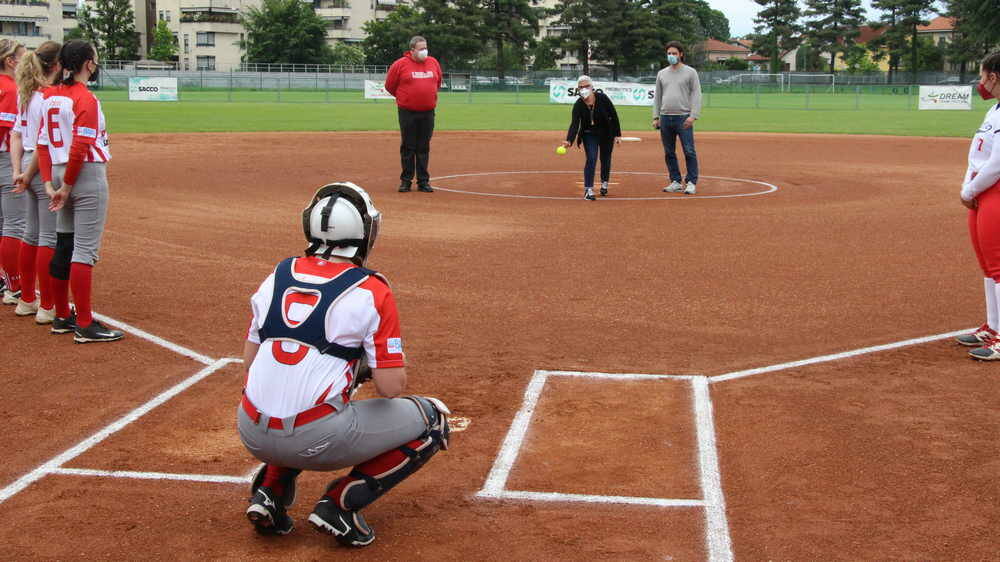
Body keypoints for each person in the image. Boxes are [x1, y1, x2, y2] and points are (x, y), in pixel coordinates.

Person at [238, 182, 451, 548]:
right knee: (434, 420)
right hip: (315, 438)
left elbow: (249, 361)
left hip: (250, 430)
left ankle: (270, 492)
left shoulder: (280, 272)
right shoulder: (372, 288)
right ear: (364, 232)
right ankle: (340, 504)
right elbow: (391, 388)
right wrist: (367, 363)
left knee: (314, 385)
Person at [37, 40, 123, 343]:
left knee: (64, 243)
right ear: (88, 64)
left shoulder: (49, 97)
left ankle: (62, 315)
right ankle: (85, 323)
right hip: (84, 176)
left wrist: (50, 183)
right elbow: (81, 147)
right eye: (94, 60)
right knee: (83, 250)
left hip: (59, 173)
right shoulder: (84, 98)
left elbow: (43, 145)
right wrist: (68, 187)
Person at [11, 40, 61, 324]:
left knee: (30, 235)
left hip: (27, 165)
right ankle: (48, 306)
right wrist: (29, 174)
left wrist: (18, 171)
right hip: (41, 167)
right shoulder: (47, 97)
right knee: (47, 238)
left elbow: (17, 136)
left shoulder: (27, 94)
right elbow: (43, 144)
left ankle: (27, 299)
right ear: (56, 65)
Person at [958, 51, 1000, 360]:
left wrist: (970, 188)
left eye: (983, 75)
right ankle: (993, 327)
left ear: (994, 77)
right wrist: (967, 187)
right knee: (988, 266)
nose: (980, 82)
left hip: (994, 191)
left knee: (999, 266)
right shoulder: (994, 111)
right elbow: (978, 155)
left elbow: (998, 164)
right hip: (981, 192)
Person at [384, 36, 442, 194]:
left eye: (426, 47)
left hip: (428, 112)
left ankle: (423, 181)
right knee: (408, 146)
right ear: (412, 51)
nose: (425, 51)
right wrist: (406, 98)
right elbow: (389, 86)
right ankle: (406, 181)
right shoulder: (400, 64)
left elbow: (438, 82)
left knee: (423, 146)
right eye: (421, 48)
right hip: (407, 112)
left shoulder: (433, 62)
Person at [652, 40, 701, 195]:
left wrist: (693, 116)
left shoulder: (690, 72)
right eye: (669, 53)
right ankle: (675, 181)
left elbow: (696, 94)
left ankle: (691, 182)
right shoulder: (662, 74)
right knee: (669, 152)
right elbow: (657, 96)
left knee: (689, 150)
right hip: (665, 117)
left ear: (681, 54)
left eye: (674, 53)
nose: (671, 56)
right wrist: (656, 116)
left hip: (683, 117)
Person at [562, 75, 621, 201]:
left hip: (606, 133)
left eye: (586, 86)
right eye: (581, 87)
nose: (584, 89)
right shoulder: (578, 104)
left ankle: (604, 183)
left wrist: (617, 134)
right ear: (578, 89)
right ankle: (588, 189)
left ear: (592, 87)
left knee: (605, 158)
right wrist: (569, 140)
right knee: (592, 158)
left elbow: (613, 115)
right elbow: (574, 124)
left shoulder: (602, 98)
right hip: (589, 134)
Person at [0, 39, 25, 304]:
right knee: (14, 224)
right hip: (7, 159)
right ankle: (14, 286)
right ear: (10, 61)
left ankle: (6, 281)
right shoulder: (11, 89)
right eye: (22, 57)